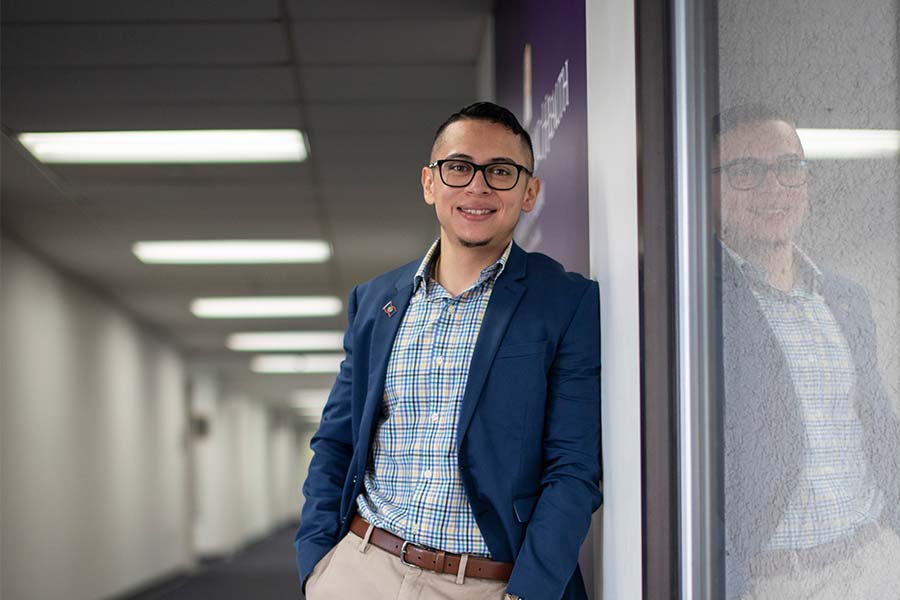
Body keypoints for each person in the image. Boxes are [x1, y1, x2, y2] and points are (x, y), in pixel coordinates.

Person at [294, 102, 602, 600]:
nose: (477, 186)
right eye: (458, 167)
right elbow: (335, 443)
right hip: (360, 568)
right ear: (429, 183)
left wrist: (527, 594)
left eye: (501, 172)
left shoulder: (565, 302)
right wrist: (317, 567)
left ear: (529, 192)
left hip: (485, 584)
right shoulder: (376, 301)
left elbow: (573, 468)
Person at [713, 104, 900, 599]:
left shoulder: (842, 296)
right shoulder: (696, 304)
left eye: (789, 167)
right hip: (777, 581)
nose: (773, 189)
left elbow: (874, 417)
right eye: (746, 172)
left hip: (875, 561)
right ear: (709, 189)